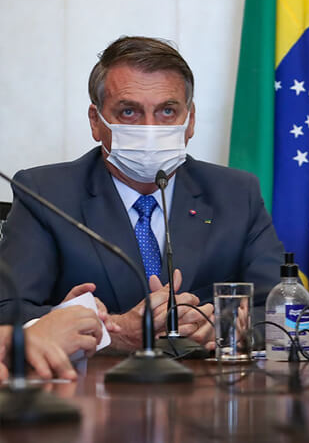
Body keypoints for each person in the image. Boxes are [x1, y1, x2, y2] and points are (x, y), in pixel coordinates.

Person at [0, 36, 284, 352]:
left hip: (208, 380)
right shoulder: (45, 194)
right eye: (128, 112)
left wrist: (228, 327)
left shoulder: (236, 193)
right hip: (96, 381)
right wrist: (110, 331)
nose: (151, 128)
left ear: (190, 120)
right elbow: (7, 312)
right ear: (96, 122)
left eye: (167, 111)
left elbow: (287, 311)